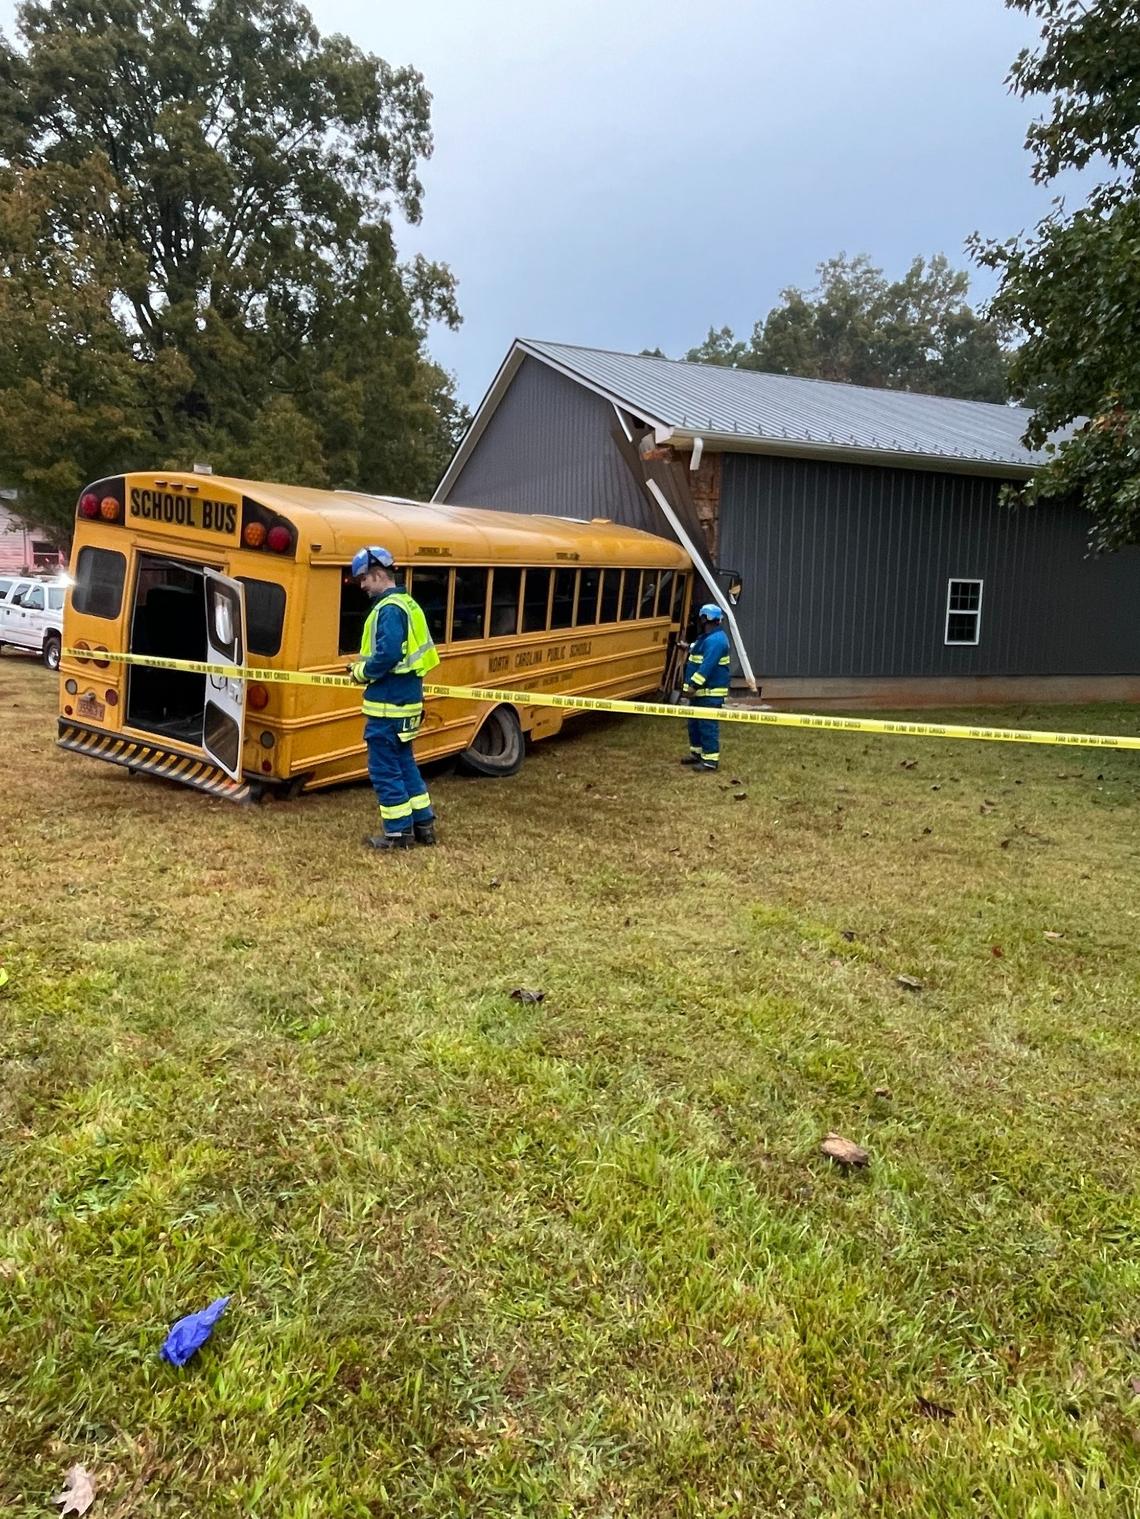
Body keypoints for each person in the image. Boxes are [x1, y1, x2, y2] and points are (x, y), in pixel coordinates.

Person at [348, 546, 441, 850]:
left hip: (388, 705)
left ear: (377, 574)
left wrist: (361, 672)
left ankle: (399, 833)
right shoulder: (408, 603)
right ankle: (423, 824)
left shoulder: (388, 609)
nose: (362, 586)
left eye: (363, 579)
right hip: (408, 702)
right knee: (405, 764)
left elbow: (387, 654)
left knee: (384, 770)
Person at [681, 603, 731, 771]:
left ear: (705, 619)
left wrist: (693, 686)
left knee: (707, 726)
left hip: (709, 693)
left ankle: (710, 761)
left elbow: (706, 667)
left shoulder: (716, 641)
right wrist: (687, 647)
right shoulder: (708, 637)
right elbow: (698, 648)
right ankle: (697, 754)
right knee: (694, 724)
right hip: (700, 693)